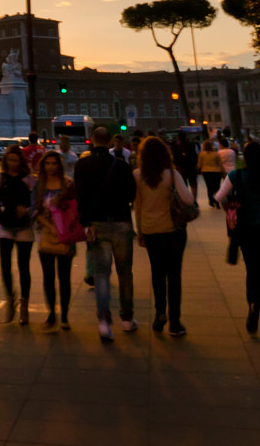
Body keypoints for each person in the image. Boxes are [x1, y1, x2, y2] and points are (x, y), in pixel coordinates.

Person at [75, 125, 138, 339]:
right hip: (121, 222)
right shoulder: (120, 166)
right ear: (110, 140)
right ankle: (127, 319)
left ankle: (104, 321)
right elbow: (131, 193)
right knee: (125, 273)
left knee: (102, 275)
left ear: (92, 140)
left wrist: (86, 223)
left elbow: (80, 197)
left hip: (96, 224)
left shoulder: (82, 165)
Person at [219, 138, 260, 333]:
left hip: (248, 232)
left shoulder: (236, 176)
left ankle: (254, 311)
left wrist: (230, 210)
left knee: (253, 273)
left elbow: (220, 196)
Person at [134, 134, 195, 336]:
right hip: (173, 231)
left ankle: (159, 313)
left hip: (151, 230)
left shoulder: (138, 175)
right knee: (174, 275)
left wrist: (140, 231)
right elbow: (187, 199)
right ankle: (175, 322)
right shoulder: (172, 174)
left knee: (157, 273)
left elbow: (138, 206)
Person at [0, 146, 35, 325]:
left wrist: (27, 210)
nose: (12, 164)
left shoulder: (28, 179)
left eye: (16, 160)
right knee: (5, 266)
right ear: (5, 161)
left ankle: (24, 304)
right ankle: (10, 297)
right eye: (10, 160)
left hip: (24, 228)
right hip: (4, 227)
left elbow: (35, 203)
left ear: (20, 161)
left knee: (23, 267)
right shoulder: (0, 178)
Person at [33, 151, 79, 330]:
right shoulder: (39, 185)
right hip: (45, 233)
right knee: (48, 276)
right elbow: (34, 209)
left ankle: (65, 315)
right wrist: (49, 225)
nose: (51, 167)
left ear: (59, 166)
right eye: (48, 164)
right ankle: (51, 313)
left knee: (64, 276)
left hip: (65, 234)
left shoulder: (67, 184)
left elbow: (75, 208)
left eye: (54, 163)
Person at [172, 130, 199, 202]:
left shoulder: (175, 146)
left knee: (183, 185)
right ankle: (194, 200)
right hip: (191, 168)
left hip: (181, 168)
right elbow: (195, 156)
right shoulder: (191, 145)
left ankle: (185, 200)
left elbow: (174, 157)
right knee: (193, 184)